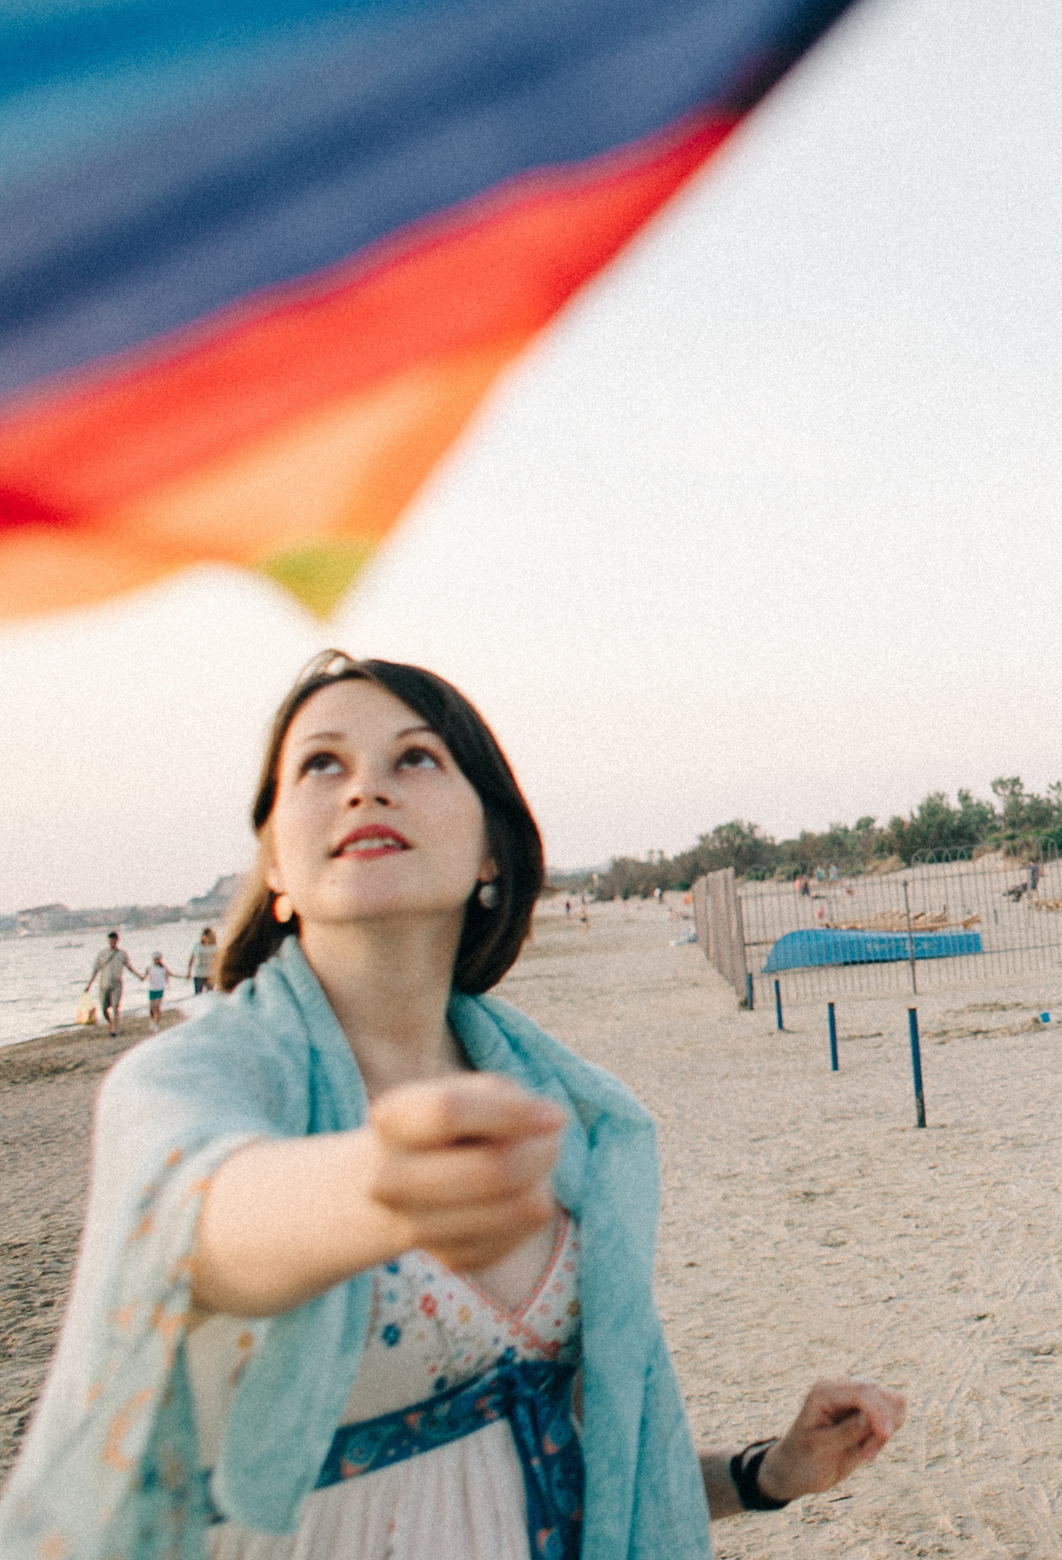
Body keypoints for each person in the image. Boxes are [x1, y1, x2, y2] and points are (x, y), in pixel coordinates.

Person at [0, 652, 906, 1560]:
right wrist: (380, 1184)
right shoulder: (183, 1082)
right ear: (276, 858)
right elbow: (197, 1220)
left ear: (488, 848)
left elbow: (581, 1464)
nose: (364, 788)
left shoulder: (574, 1113)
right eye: (321, 763)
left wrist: (765, 1474)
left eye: (415, 758)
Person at [83, 930, 140, 1036]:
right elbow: (95, 970)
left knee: (115, 1006)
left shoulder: (122, 954)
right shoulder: (102, 954)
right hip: (104, 984)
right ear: (107, 941)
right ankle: (110, 1023)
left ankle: (115, 1029)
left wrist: (139, 976)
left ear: (117, 940)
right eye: (110, 941)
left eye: (114, 941)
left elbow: (129, 967)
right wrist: (89, 985)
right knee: (104, 1008)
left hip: (117, 983)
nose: (112, 943)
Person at [139, 951, 171, 1032]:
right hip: (152, 989)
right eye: (154, 959)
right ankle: (152, 1020)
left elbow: (168, 976)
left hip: (160, 989)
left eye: (157, 959)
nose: (156, 960)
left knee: (157, 1006)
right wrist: (141, 978)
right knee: (151, 1007)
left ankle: (157, 1023)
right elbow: (144, 977)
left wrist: (168, 983)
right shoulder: (149, 968)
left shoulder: (163, 968)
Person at [188, 926, 220, 996]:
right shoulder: (197, 946)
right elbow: (192, 959)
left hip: (210, 975)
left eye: (208, 936)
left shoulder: (214, 947)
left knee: (210, 995)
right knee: (198, 995)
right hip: (198, 974)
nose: (205, 938)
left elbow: (218, 961)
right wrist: (189, 972)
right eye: (204, 935)